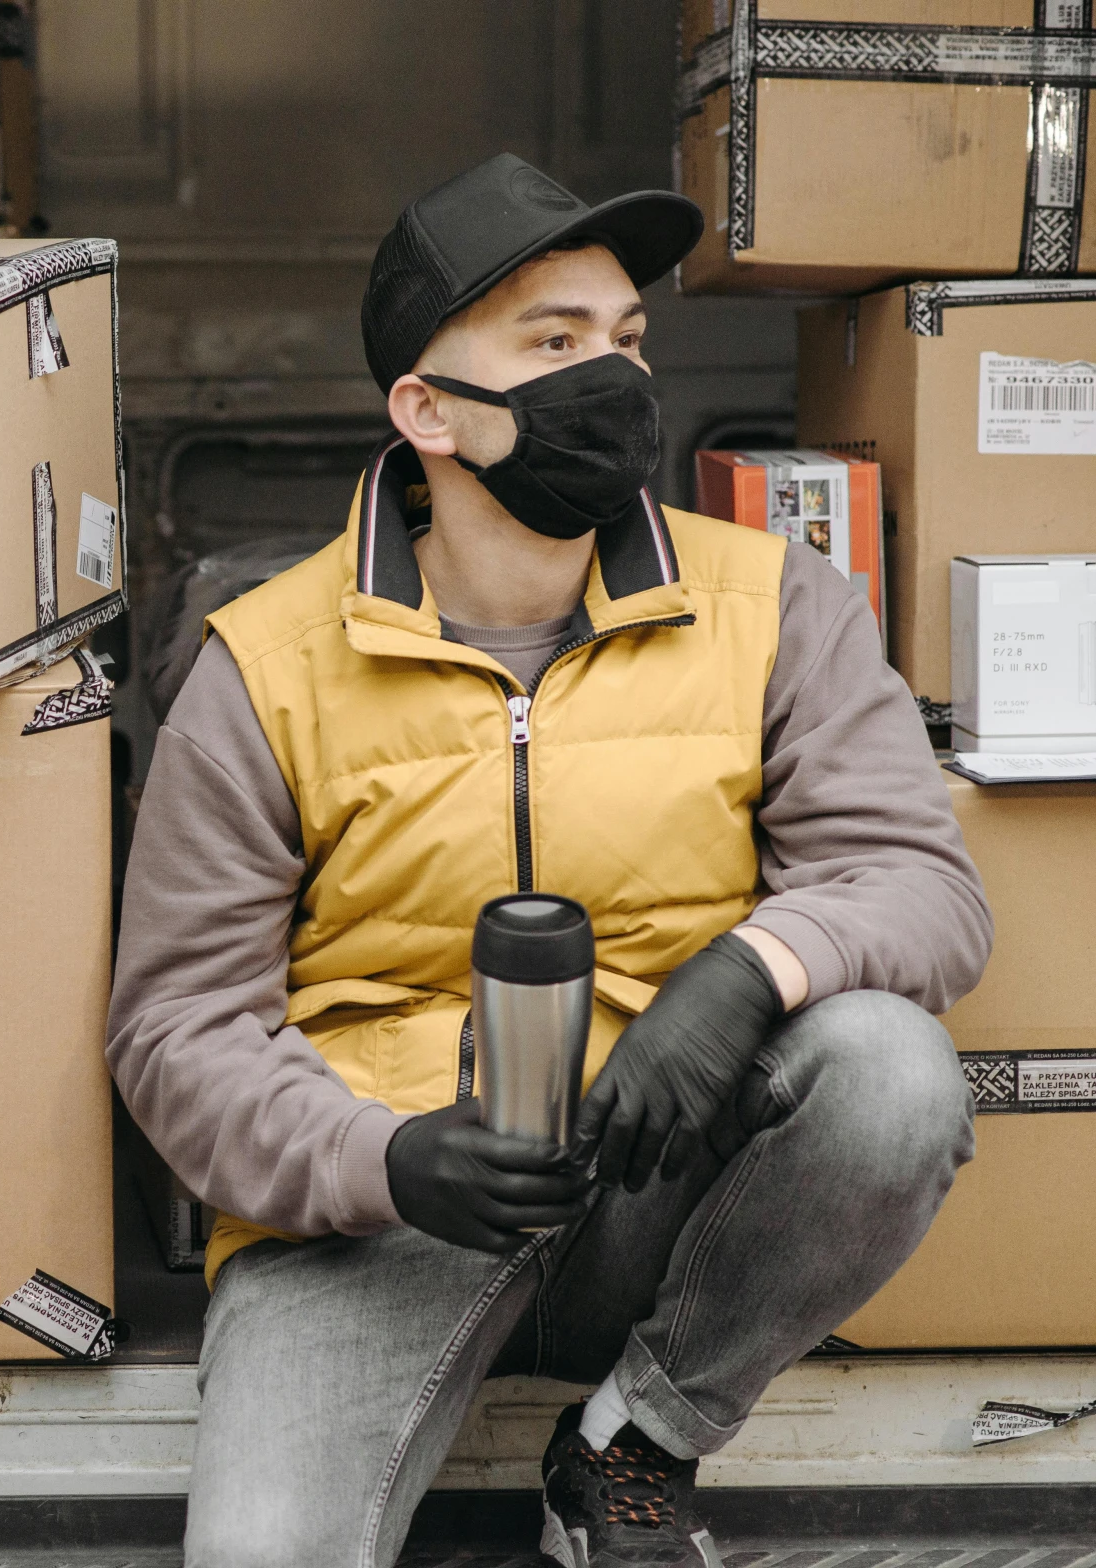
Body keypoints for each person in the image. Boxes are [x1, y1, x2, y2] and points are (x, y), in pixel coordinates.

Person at [106, 153, 991, 1568]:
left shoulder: (772, 605)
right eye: (555, 343)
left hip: (659, 1192)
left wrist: (752, 971)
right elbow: (175, 1030)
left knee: (889, 1065)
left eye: (629, 341)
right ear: (426, 412)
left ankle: (636, 1443)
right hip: (368, 1220)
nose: (616, 379)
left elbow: (927, 891)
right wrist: (382, 1159)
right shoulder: (264, 669)